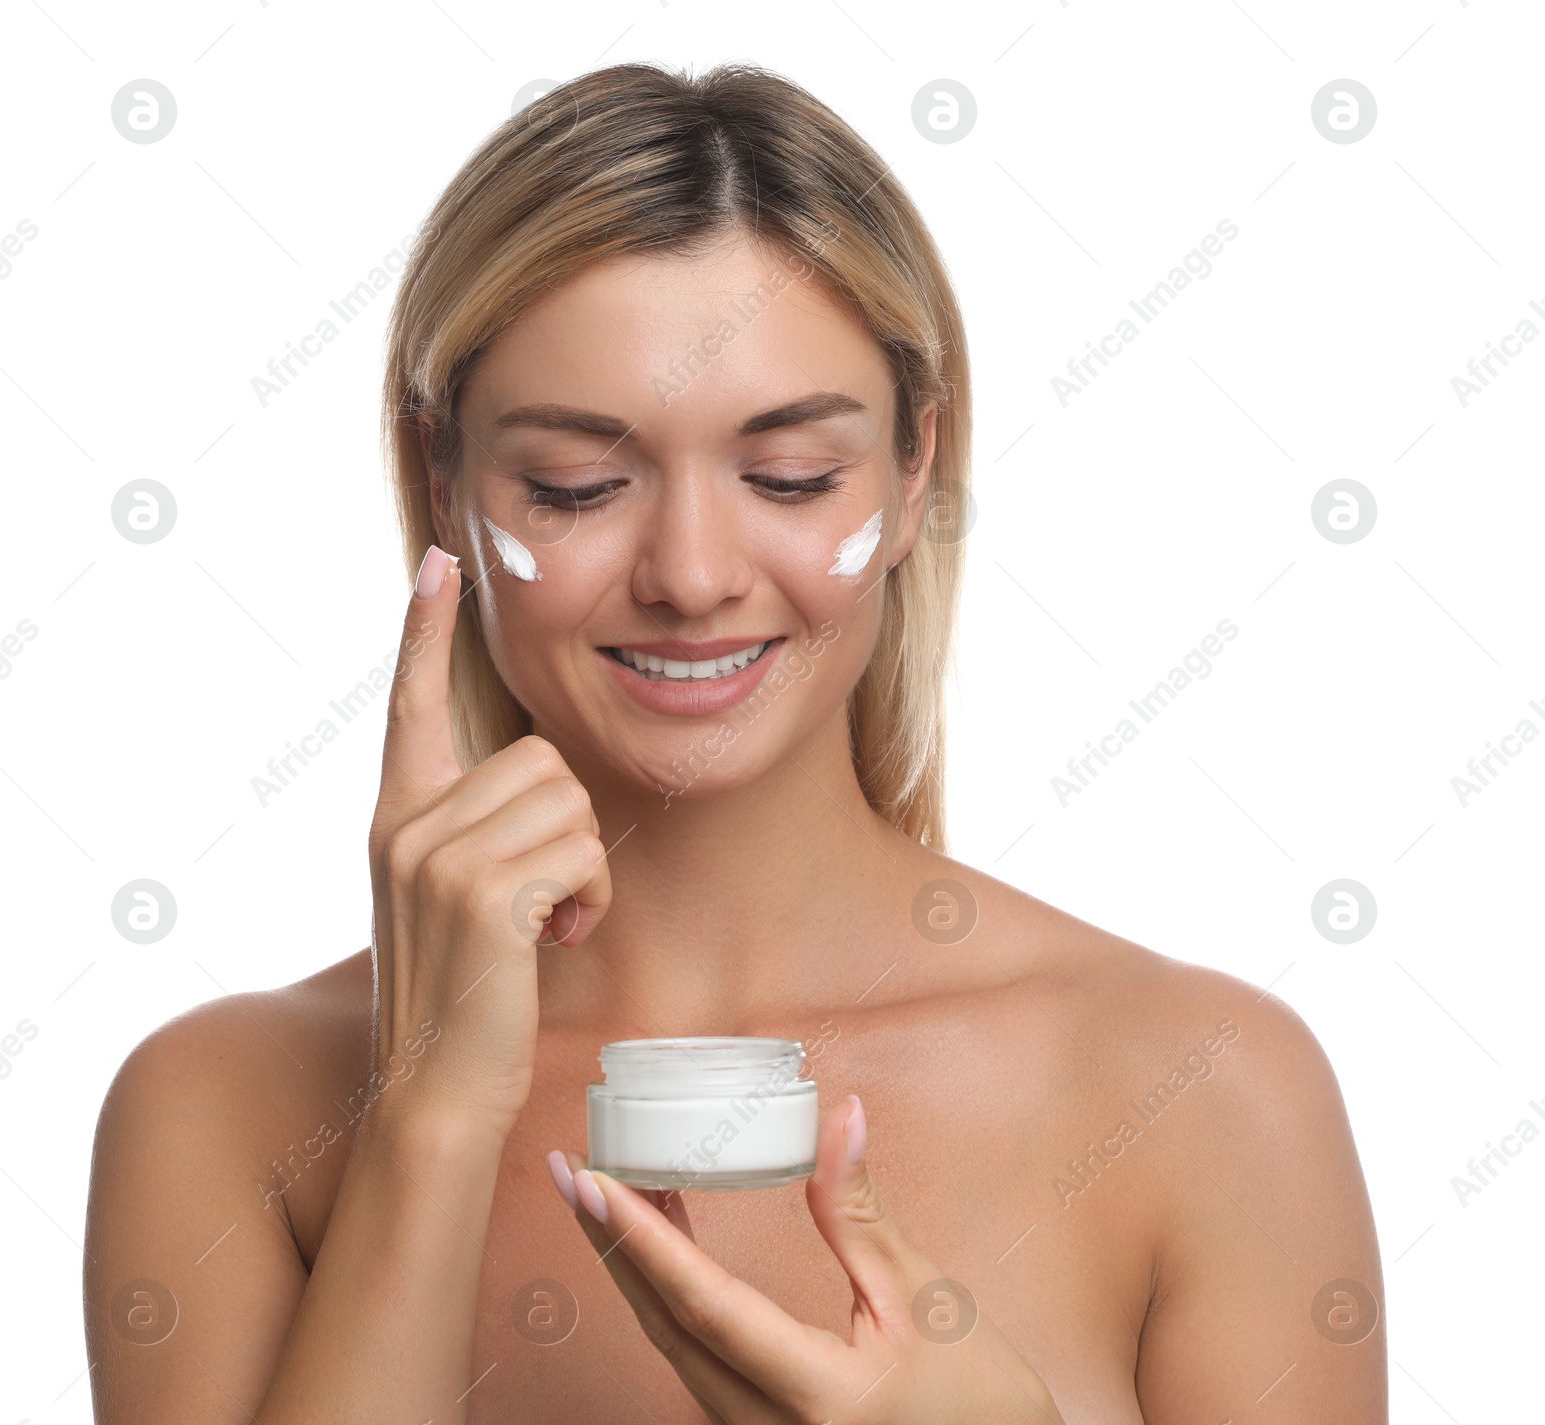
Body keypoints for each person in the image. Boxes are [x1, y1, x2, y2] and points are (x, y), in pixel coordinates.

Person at [82, 60, 1387, 1424]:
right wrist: (429, 1118)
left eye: (789, 477)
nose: (693, 575)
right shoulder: (222, 1112)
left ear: (915, 459)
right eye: (578, 485)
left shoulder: (1208, 1091)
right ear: (442, 479)